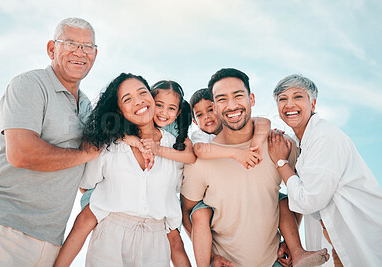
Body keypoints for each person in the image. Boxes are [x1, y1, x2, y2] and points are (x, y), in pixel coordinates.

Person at [0, 17, 99, 266]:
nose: (80, 52)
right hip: (0, 229)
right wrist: (84, 155)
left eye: (87, 46)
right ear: (51, 49)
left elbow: (86, 175)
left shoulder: (87, 105)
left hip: (50, 240)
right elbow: (21, 154)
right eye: (70, 43)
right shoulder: (30, 85)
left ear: (95, 54)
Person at [54, 79, 194, 266]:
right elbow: (86, 188)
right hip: (110, 239)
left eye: (171, 108)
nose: (139, 102)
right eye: (128, 99)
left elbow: (175, 234)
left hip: (156, 244)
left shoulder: (176, 149)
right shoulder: (111, 145)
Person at [186, 87, 329, 267]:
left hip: (264, 235)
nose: (207, 117)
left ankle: (297, 251)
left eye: (211, 109)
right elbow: (199, 150)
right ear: (194, 120)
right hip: (217, 202)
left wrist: (255, 144)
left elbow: (263, 121)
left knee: (283, 201)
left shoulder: (244, 127)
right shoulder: (201, 136)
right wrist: (236, 154)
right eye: (200, 115)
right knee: (199, 213)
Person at [268, 74, 382, 266]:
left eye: (298, 97)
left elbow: (308, 201)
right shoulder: (299, 141)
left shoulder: (324, 137)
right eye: (282, 99)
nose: (289, 104)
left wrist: (281, 162)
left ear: (313, 104)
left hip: (361, 234)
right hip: (333, 241)